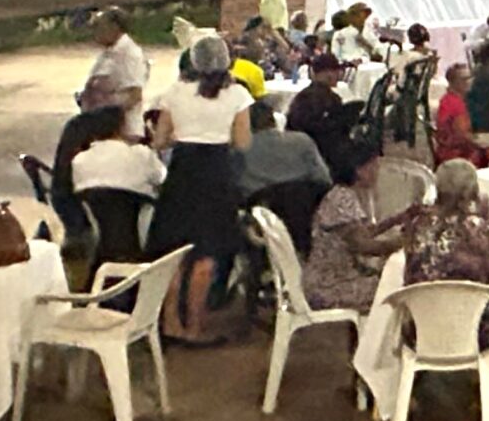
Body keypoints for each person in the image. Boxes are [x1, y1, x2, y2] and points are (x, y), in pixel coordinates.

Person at [149, 37, 256, 345]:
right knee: (207, 253)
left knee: (174, 252)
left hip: (182, 172)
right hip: (216, 174)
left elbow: (159, 141)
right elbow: (243, 142)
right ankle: (195, 326)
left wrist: (184, 134)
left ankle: (170, 322)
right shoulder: (237, 94)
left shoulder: (175, 92)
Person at [387, 160, 489, 349]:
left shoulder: (415, 227)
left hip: (420, 331)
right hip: (475, 334)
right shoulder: (486, 231)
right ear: (473, 192)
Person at [305, 146, 408, 312]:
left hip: (332, 278)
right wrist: (403, 242)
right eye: (373, 165)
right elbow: (363, 246)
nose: (377, 171)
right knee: (399, 286)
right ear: (359, 170)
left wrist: (397, 219)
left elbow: (363, 233)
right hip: (331, 285)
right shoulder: (343, 200)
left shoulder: (341, 194)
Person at [82, 7, 150, 138]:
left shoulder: (129, 54)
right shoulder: (109, 52)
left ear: (114, 27)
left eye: (99, 27)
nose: (95, 32)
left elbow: (134, 95)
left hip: (123, 131)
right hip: (102, 128)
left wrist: (109, 118)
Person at [239, 103, 330, 195]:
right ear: (273, 120)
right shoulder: (303, 141)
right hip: (302, 199)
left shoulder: (240, 149)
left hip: (259, 200)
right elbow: (323, 178)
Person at [69, 114, 165, 197]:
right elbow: (163, 179)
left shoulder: (78, 161)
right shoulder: (142, 155)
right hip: (139, 210)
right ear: (121, 128)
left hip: (91, 212)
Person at [433, 63, 489, 166]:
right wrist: (485, 142)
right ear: (453, 82)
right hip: (457, 158)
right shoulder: (455, 105)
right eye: (464, 79)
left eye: (470, 78)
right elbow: (463, 137)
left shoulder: (448, 99)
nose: (469, 82)